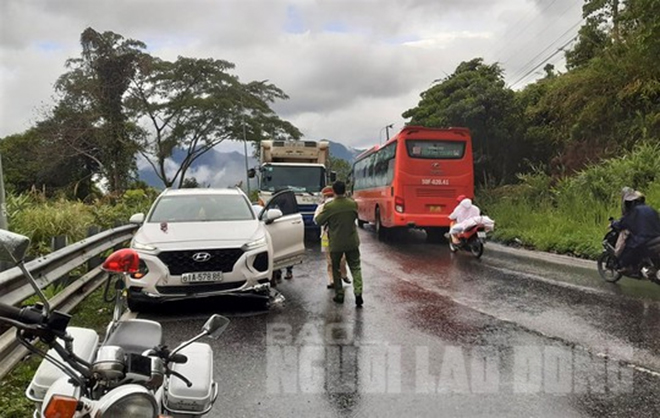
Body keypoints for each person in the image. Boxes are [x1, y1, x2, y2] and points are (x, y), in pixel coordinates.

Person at [314, 181, 364, 307]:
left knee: (335, 268)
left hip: (336, 243)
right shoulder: (352, 204)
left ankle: (339, 294)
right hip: (352, 241)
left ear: (334, 191)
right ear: (345, 190)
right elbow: (355, 216)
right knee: (356, 267)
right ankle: (358, 293)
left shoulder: (330, 206)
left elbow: (319, 221)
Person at [614, 188, 660, 273]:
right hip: (657, 237)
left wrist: (614, 224)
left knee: (629, 248)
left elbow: (624, 223)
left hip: (644, 239)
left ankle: (629, 267)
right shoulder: (651, 209)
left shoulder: (634, 211)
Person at [315, 186, 350, 289]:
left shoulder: (337, 205)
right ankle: (333, 279)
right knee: (336, 258)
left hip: (335, 235)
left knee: (335, 258)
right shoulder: (321, 207)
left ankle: (341, 275)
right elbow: (317, 220)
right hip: (327, 235)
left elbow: (316, 220)